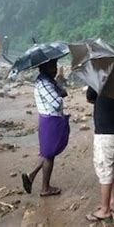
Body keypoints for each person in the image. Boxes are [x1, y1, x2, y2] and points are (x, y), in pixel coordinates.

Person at [21, 59, 70, 197]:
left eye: (55, 65)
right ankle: (45, 188)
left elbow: (61, 93)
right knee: (49, 155)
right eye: (51, 66)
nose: (54, 69)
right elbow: (56, 103)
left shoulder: (46, 81)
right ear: (44, 67)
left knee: (47, 153)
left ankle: (32, 177)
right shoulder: (45, 83)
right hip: (51, 120)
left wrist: (59, 87)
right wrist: (60, 94)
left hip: (48, 119)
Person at [85, 87, 114, 222]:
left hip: (105, 134)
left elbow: (90, 97)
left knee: (105, 170)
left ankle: (105, 210)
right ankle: (113, 203)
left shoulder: (100, 79)